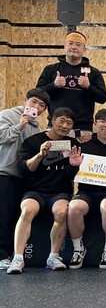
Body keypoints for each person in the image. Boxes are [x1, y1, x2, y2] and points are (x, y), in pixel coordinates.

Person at [6, 107, 82, 274]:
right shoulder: (33, 141)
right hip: (35, 190)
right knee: (27, 210)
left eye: (69, 123)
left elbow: (70, 175)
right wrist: (40, 155)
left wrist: (74, 165)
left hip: (60, 192)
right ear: (52, 120)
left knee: (62, 212)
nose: (65, 126)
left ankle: (53, 256)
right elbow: (24, 170)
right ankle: (18, 258)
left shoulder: (74, 145)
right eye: (61, 121)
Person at [67, 109, 106, 270]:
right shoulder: (83, 147)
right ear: (95, 125)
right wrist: (73, 166)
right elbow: (69, 176)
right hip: (86, 192)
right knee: (74, 208)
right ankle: (78, 249)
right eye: (102, 121)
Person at [0, 88, 50, 269]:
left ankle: (13, 253)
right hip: (5, 173)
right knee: (3, 216)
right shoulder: (7, 115)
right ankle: (1, 255)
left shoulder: (36, 128)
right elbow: (2, 137)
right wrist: (19, 126)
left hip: (23, 177)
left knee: (15, 215)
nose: (36, 106)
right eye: (34, 101)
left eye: (41, 105)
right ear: (25, 100)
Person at [36, 31, 106, 138]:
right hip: (55, 125)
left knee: (80, 150)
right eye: (70, 43)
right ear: (64, 46)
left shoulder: (93, 72)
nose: (74, 47)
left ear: (84, 49)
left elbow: (102, 98)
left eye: (78, 45)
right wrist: (54, 85)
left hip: (83, 129)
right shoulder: (51, 69)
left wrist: (89, 87)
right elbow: (38, 93)